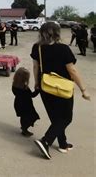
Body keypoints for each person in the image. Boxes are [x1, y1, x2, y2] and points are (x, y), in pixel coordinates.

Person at [32, 22, 91, 160]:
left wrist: (36, 83)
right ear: (57, 33)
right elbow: (72, 70)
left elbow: (35, 67)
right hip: (62, 87)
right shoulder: (63, 49)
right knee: (66, 117)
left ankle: (62, 144)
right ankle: (45, 141)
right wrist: (84, 90)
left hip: (45, 86)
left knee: (56, 118)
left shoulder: (37, 47)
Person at [12, 67, 40, 137]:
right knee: (31, 117)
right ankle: (25, 129)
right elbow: (32, 95)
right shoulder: (25, 89)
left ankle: (24, 128)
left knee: (23, 117)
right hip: (26, 106)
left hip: (18, 103)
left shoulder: (14, 85)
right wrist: (38, 90)